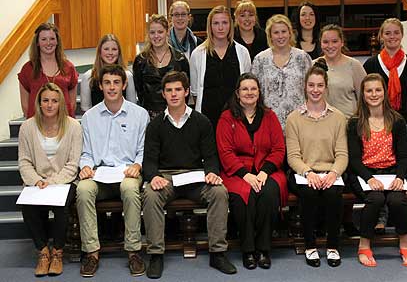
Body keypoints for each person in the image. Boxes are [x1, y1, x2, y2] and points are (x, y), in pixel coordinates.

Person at [142, 71, 236, 279]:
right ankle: (156, 254)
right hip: (166, 177)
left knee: (219, 192)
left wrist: (212, 173)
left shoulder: (201, 122)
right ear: (163, 94)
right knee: (149, 194)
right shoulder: (156, 125)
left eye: (178, 89)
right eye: (169, 90)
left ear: (186, 92)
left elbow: (211, 156)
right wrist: (153, 176)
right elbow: (148, 160)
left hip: (195, 176)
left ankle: (218, 252)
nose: (174, 94)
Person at [76, 65, 150, 277]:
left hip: (129, 173)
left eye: (116, 82)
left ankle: (133, 251)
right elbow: (86, 152)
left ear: (124, 85)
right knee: (83, 190)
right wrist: (86, 167)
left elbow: (144, 149)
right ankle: (91, 252)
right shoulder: (90, 117)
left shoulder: (139, 114)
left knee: (129, 189)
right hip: (99, 174)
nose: (112, 87)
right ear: (100, 86)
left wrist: (138, 165)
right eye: (107, 83)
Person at [216, 73, 287, 270]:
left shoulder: (270, 115)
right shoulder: (226, 117)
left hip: (268, 170)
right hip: (236, 172)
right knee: (242, 197)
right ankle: (248, 250)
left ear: (259, 92)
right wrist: (245, 175)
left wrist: (265, 172)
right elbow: (225, 151)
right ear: (238, 93)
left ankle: (263, 249)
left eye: (253, 89)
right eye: (245, 89)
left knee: (268, 193)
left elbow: (279, 149)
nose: (249, 92)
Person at [347, 73, 407, 267]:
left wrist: (400, 177)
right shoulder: (355, 123)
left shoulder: (397, 121)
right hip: (364, 174)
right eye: (369, 90)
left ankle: (405, 243)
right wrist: (369, 179)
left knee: (397, 200)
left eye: (378, 90)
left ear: (385, 92)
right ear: (363, 94)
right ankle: (364, 245)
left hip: (391, 172)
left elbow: (403, 156)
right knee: (375, 198)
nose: (374, 94)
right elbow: (353, 159)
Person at [363, 18, 407, 233]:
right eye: (387, 33)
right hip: (377, 125)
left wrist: (398, 116)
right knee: (380, 170)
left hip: (406, 123)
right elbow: (366, 93)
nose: (391, 37)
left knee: (403, 173)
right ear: (381, 36)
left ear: (401, 35)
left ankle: (401, 219)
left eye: (395, 33)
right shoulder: (371, 64)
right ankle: (381, 217)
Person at [286, 59, 348, 268]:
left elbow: (342, 154)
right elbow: (293, 156)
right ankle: (310, 246)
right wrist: (308, 173)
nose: (315, 90)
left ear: (326, 88)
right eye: (311, 85)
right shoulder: (294, 118)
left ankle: (332, 247)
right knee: (309, 194)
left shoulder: (338, 117)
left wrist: (333, 173)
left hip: (331, 172)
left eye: (320, 85)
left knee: (332, 194)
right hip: (303, 173)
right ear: (305, 87)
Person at [18, 83, 82, 277]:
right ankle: (43, 252)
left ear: (61, 103)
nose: (49, 105)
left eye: (54, 101)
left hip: (65, 181)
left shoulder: (73, 126)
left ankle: (58, 253)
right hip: (36, 182)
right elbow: (24, 161)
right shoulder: (27, 127)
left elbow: (73, 163)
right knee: (28, 205)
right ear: (39, 103)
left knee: (61, 205)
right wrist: (37, 181)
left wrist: (53, 183)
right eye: (45, 100)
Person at [318, 23, 366, 236]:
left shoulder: (353, 66)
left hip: (348, 129)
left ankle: (346, 220)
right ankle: (324, 221)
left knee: (346, 176)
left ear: (342, 42)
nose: (330, 46)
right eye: (326, 42)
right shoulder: (315, 64)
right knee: (325, 175)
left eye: (334, 41)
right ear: (320, 43)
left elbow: (365, 97)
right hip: (321, 129)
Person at [190, 5, 251, 129]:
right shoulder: (198, 54)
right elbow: (195, 92)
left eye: (224, 22)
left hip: (236, 116)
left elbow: (247, 86)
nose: (221, 27)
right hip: (208, 118)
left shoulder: (242, 52)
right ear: (210, 26)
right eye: (216, 23)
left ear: (230, 25)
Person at [251, 14, 312, 130]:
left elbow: (312, 89)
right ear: (270, 35)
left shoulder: (303, 57)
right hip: (268, 123)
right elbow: (254, 92)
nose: (280, 36)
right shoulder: (260, 60)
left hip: (300, 122)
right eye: (276, 32)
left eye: (283, 31)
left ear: (290, 33)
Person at [133, 14, 189, 120]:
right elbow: (139, 91)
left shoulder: (180, 59)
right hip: (148, 115)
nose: (156, 36)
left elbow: (186, 90)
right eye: (152, 32)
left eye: (160, 32)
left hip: (175, 114)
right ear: (148, 34)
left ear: (167, 32)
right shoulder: (140, 61)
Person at [18, 23, 78, 118]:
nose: (48, 43)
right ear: (37, 43)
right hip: (37, 125)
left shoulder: (68, 67)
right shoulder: (28, 69)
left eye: (52, 39)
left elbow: (72, 103)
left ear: (57, 41)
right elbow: (25, 106)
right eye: (44, 39)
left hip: (64, 125)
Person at [80, 34, 137, 112]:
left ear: (119, 52)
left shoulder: (128, 76)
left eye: (114, 49)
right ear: (100, 51)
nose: (110, 53)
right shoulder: (89, 76)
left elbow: (132, 105)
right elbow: (85, 108)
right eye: (106, 49)